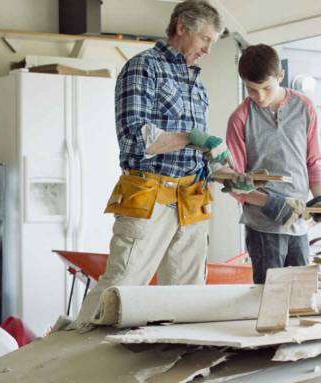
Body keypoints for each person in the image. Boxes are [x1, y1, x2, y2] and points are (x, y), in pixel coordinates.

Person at [70, 0, 228, 329]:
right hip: (150, 195)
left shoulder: (197, 85)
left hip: (192, 199)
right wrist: (190, 136)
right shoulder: (144, 67)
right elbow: (134, 139)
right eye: (205, 40)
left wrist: (229, 172)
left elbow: (197, 148)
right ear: (182, 28)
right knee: (121, 288)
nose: (208, 50)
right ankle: (67, 361)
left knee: (188, 296)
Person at [223, 44, 321, 284]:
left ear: (280, 76)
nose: (259, 96)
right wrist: (271, 203)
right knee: (270, 296)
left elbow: (313, 161)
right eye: (251, 89)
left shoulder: (305, 107)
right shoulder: (240, 118)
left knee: (301, 294)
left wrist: (320, 198)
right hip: (263, 227)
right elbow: (233, 181)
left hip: (299, 224)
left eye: (266, 88)